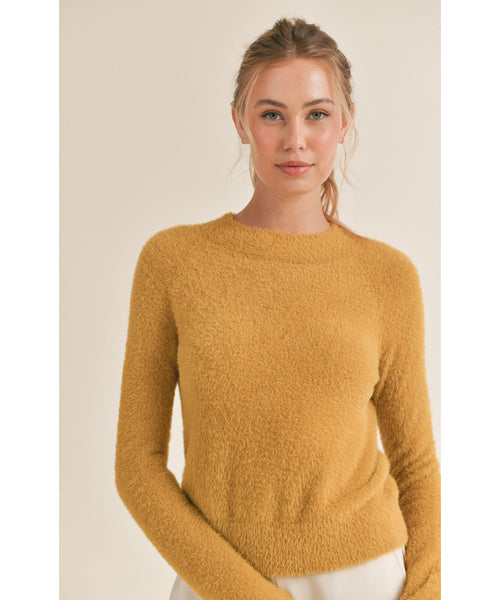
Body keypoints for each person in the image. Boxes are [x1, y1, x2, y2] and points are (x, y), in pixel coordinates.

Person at [114, 16, 441, 600]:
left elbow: (415, 465)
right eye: (272, 115)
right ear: (240, 122)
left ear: (344, 124)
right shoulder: (174, 263)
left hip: (369, 582)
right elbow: (136, 466)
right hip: (218, 585)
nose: (296, 139)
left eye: (317, 114)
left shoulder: (388, 276)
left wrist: (427, 590)